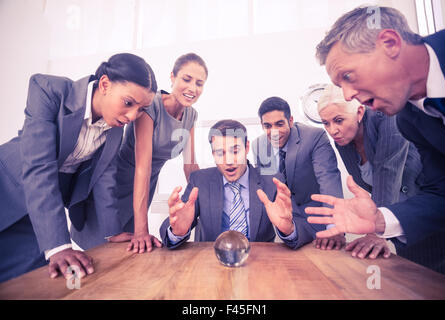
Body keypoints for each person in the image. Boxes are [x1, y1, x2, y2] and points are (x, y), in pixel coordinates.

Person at [306, 6, 445, 274]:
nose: (347, 95)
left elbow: (389, 170)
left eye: (347, 76)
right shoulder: (409, 118)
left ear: (389, 43)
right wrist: (380, 220)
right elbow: (444, 193)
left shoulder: (392, 122)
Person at [0, 53, 157, 282]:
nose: (133, 115)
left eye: (141, 109)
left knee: (29, 280)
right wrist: (59, 246)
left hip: (38, 215)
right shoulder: (49, 90)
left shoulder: (114, 126)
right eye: (128, 102)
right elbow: (39, 167)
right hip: (8, 188)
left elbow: (105, 179)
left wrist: (112, 232)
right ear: (104, 84)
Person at [316, 84, 445, 274]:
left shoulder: (386, 117)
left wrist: (374, 231)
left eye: (338, 120)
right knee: (409, 278)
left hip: (426, 206)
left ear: (360, 112)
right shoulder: (343, 140)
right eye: (325, 123)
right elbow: (370, 185)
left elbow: (388, 171)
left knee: (431, 279)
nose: (332, 130)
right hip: (397, 216)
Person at [160, 119, 322, 249]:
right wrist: (177, 232)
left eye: (235, 150)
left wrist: (289, 229)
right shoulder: (200, 181)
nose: (229, 161)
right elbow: (172, 225)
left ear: (246, 148)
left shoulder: (272, 181)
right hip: (210, 265)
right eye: (220, 153)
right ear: (213, 155)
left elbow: (304, 228)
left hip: (259, 266)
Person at [108, 53, 207, 253]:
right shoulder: (150, 106)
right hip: (117, 184)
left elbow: (189, 165)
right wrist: (142, 230)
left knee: (128, 255)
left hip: (146, 185)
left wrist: (205, 200)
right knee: (106, 247)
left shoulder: (191, 115)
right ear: (172, 77)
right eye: (186, 79)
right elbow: (142, 167)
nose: (192, 88)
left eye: (199, 83)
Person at [252, 96, 343, 224]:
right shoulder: (259, 145)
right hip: (286, 220)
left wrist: (334, 224)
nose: (274, 132)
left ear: (290, 121)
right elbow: (268, 187)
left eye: (279, 124)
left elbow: (328, 180)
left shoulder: (314, 137)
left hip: (318, 216)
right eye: (267, 126)